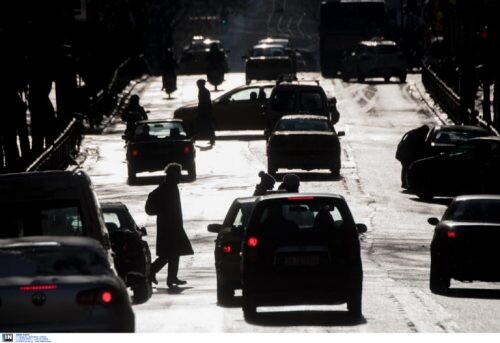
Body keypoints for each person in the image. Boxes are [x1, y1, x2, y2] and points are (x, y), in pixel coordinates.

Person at [145, 163, 194, 288]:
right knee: (167, 254)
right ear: (173, 175)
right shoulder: (166, 188)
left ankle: (171, 278)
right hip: (168, 227)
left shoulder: (170, 187)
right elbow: (157, 206)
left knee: (174, 253)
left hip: (173, 225)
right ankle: (151, 272)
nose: (180, 177)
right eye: (178, 174)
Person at [396, 124, 431, 188]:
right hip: (408, 155)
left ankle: (404, 183)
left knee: (405, 169)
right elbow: (420, 145)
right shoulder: (419, 135)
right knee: (407, 169)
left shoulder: (413, 132)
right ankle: (406, 183)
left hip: (404, 154)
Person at [195, 79, 216, 145]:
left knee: (203, 124)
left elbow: (205, 102)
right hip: (205, 109)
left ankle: (195, 138)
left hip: (204, 110)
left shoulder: (204, 91)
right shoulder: (202, 91)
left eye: (198, 84)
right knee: (206, 125)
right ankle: (211, 138)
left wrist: (202, 110)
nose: (197, 86)